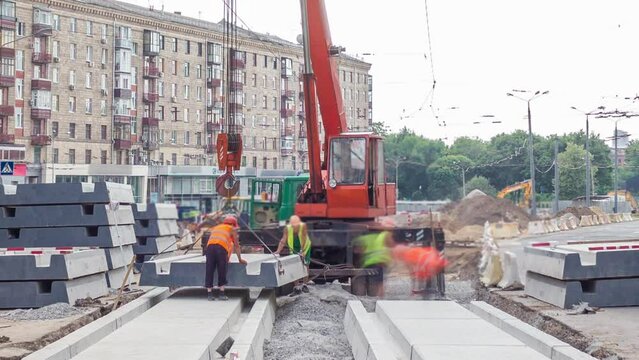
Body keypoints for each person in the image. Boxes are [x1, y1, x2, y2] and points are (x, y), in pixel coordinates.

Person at [204, 215, 247, 301]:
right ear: (234, 224)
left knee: (209, 268)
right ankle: (222, 293)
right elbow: (236, 245)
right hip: (220, 248)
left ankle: (209, 294)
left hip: (209, 248)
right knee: (222, 268)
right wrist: (239, 259)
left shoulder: (217, 227)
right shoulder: (232, 229)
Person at [355, 224, 395, 297]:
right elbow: (391, 245)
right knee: (379, 283)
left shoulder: (363, 238)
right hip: (381, 262)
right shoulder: (383, 235)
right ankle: (377, 298)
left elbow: (358, 251)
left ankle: (368, 297)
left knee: (370, 281)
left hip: (369, 263)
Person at [275, 215, 311, 293]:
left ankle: (305, 285)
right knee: (295, 265)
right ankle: (297, 287)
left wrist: (303, 252)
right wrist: (278, 251)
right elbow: (283, 240)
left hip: (305, 246)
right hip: (294, 248)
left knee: (305, 265)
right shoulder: (287, 228)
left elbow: (304, 239)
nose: (295, 227)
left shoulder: (303, 226)